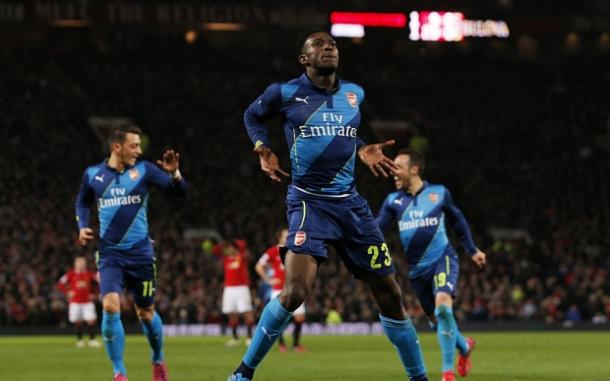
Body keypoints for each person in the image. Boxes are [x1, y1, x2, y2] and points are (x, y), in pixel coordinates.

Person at [229, 30, 429, 381]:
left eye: (332, 45)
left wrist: (365, 147)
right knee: (294, 293)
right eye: (318, 45)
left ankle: (419, 378)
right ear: (304, 59)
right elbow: (252, 116)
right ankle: (243, 374)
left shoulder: (354, 94)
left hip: (350, 206)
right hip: (308, 203)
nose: (328, 48)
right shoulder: (284, 92)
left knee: (391, 294)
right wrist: (262, 149)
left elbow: (348, 135)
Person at [75, 124, 186, 381]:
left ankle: (158, 359)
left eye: (139, 146)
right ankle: (119, 372)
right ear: (117, 147)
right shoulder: (93, 175)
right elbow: (82, 201)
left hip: (141, 256)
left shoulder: (145, 171)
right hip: (110, 255)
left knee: (145, 313)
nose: (138, 150)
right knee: (110, 306)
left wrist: (175, 174)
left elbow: (180, 194)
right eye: (133, 145)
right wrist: (82, 226)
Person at [376, 149, 487, 381]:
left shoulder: (438, 193)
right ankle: (464, 346)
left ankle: (447, 372)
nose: (392, 171)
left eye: (398, 166)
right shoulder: (392, 201)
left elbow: (458, 220)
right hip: (416, 271)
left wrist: (472, 250)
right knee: (437, 321)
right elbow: (376, 231)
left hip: (442, 258)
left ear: (414, 170)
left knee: (443, 308)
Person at [255, 228, 307, 353]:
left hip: (295, 288)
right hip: (279, 290)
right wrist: (268, 280)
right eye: (286, 235)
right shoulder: (274, 251)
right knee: (279, 318)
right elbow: (258, 266)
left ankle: (296, 345)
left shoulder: (295, 249)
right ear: (279, 237)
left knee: (299, 317)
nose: (289, 236)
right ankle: (282, 344)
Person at [212, 239, 256, 346]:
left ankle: (250, 337)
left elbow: (243, 244)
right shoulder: (226, 259)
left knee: (247, 312)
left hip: (242, 288)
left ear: (235, 248)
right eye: (228, 247)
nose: (228, 249)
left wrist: (236, 245)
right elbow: (214, 250)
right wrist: (224, 244)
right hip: (229, 289)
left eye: (231, 247)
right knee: (231, 313)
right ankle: (235, 337)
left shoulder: (242, 257)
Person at [57, 256, 101, 348]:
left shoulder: (89, 274)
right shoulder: (70, 274)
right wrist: (67, 292)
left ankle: (92, 340)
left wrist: (95, 294)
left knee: (91, 320)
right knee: (78, 321)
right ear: (75, 264)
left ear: (85, 264)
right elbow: (60, 284)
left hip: (87, 302)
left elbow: (98, 283)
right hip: (75, 302)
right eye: (79, 262)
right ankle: (79, 340)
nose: (80, 264)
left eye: (82, 262)